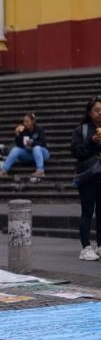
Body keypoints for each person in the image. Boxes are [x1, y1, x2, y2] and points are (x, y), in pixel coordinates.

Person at [71, 96, 101, 261]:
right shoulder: (81, 131)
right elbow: (76, 152)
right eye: (96, 110)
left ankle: (100, 246)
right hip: (88, 176)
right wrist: (91, 141)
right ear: (89, 113)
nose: (100, 113)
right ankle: (86, 247)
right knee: (88, 211)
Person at [0, 112, 49, 178]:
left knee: (36, 148)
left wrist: (33, 142)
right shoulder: (23, 130)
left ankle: (40, 170)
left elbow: (43, 143)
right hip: (29, 154)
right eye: (24, 121)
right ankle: (4, 170)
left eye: (27, 121)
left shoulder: (39, 129)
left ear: (33, 121)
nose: (25, 123)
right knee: (15, 149)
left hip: (42, 154)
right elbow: (19, 145)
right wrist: (17, 134)